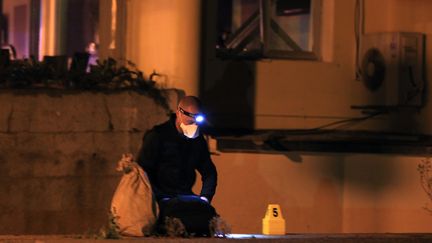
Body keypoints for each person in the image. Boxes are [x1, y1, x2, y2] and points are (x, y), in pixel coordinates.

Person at [136, 95, 218, 233]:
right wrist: (160, 196)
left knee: (208, 218)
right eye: (190, 121)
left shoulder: (198, 141)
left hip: (185, 196)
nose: (194, 126)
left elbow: (209, 172)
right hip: (162, 199)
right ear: (179, 113)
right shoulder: (158, 136)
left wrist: (205, 197)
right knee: (178, 220)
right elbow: (143, 172)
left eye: (197, 122)